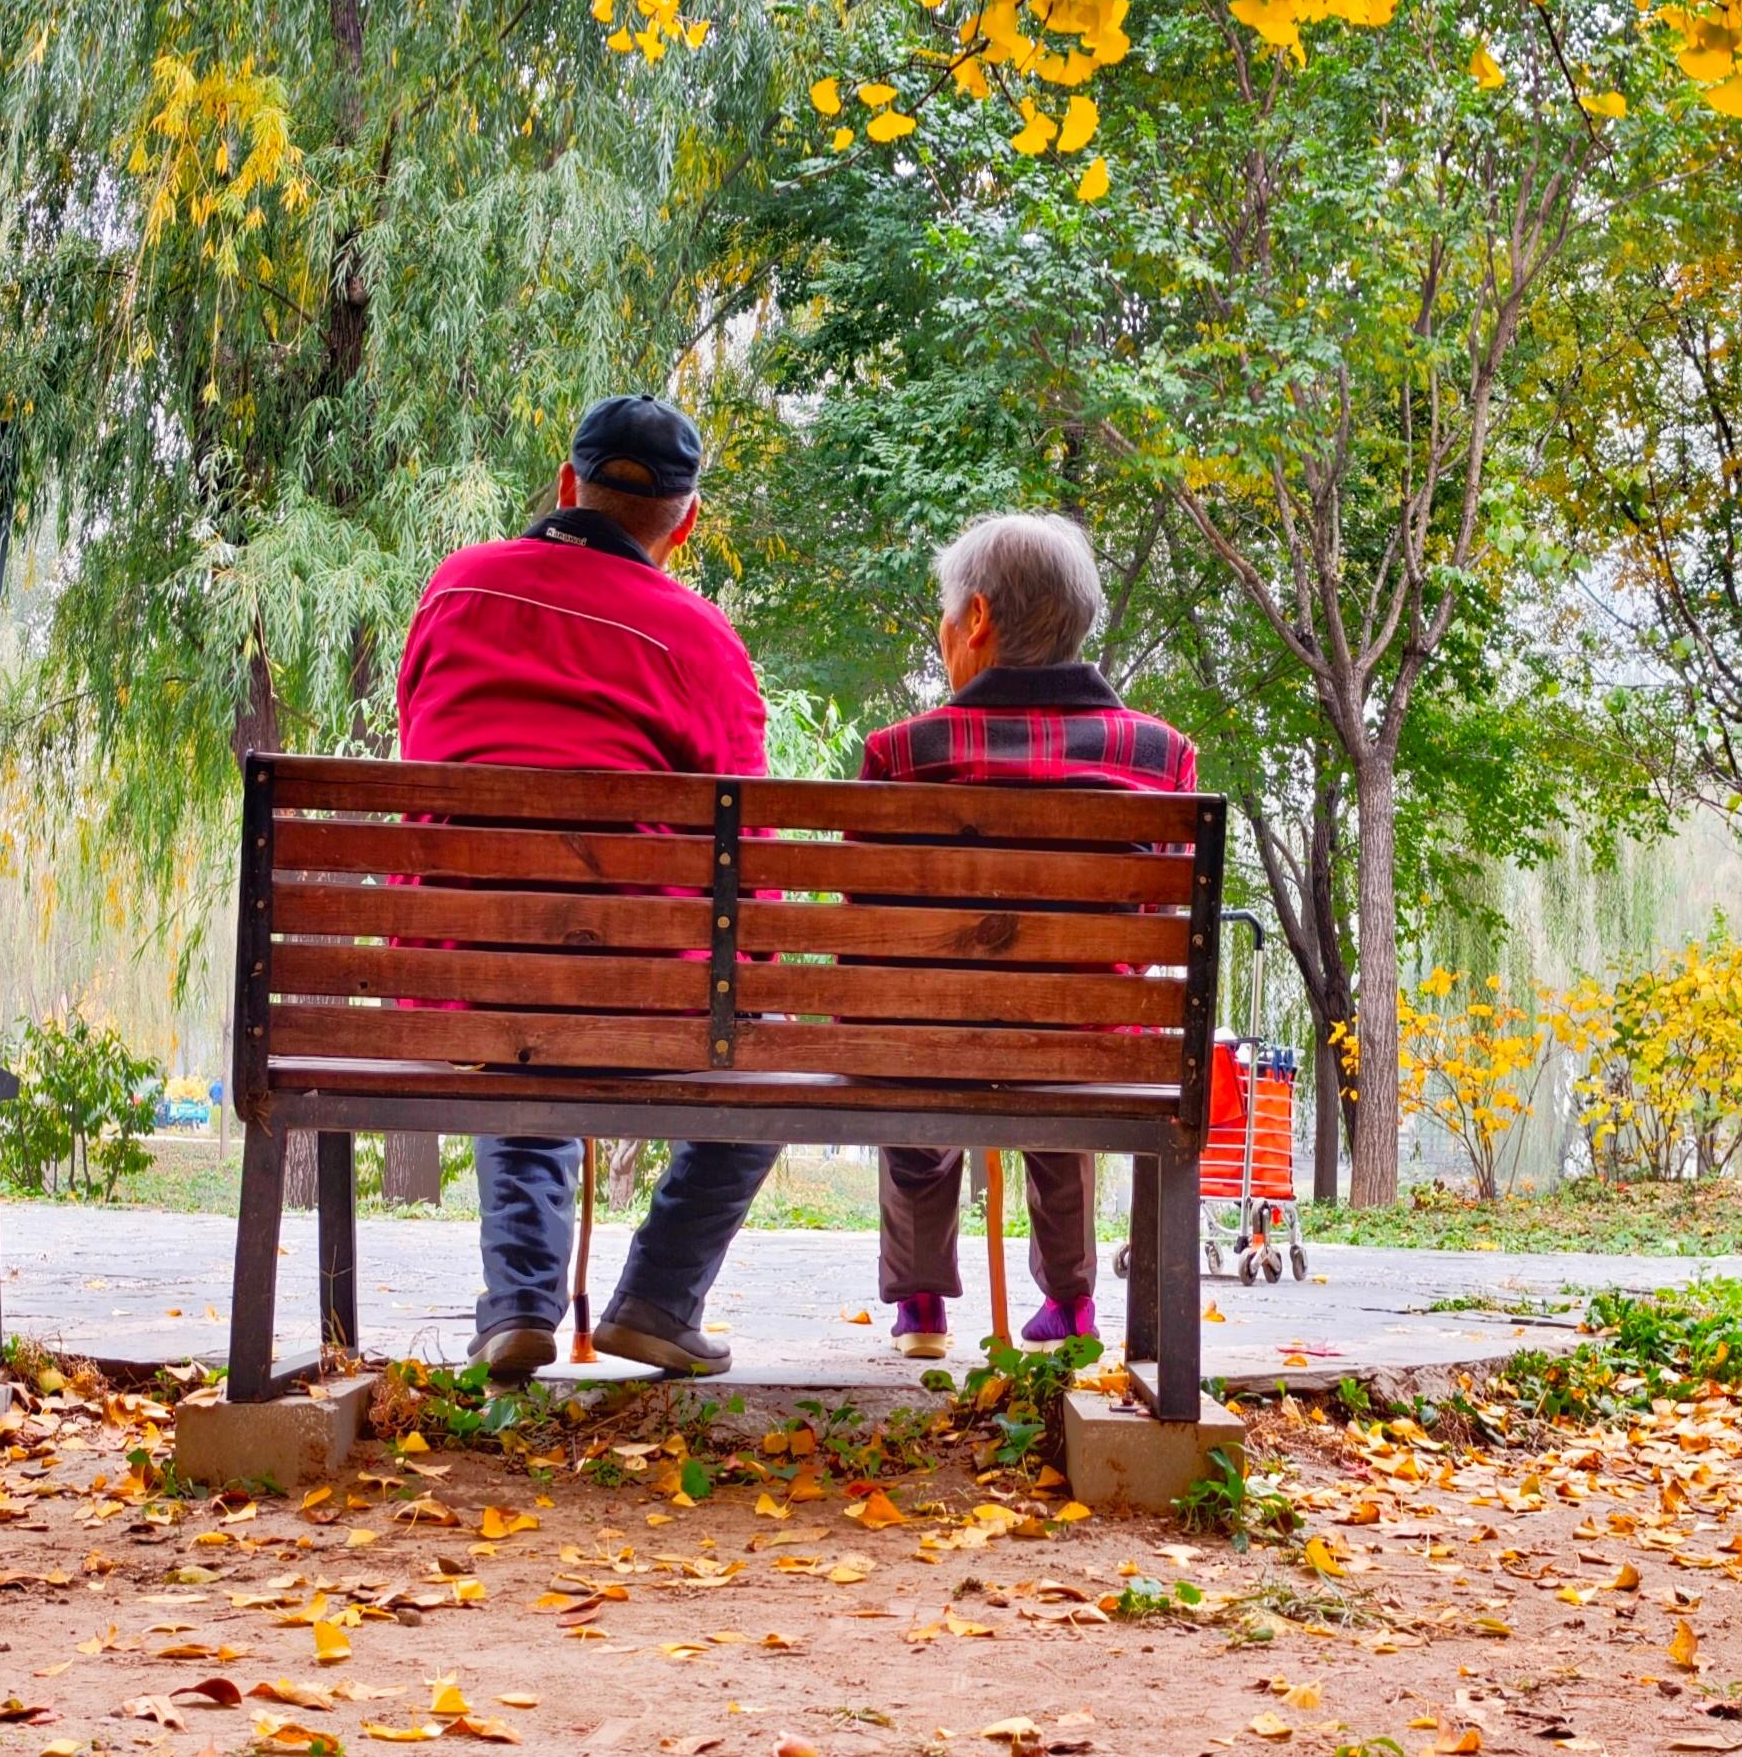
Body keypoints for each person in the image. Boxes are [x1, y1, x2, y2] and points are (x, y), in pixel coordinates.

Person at [397, 386, 777, 1382]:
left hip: (461, 970)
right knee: (772, 1060)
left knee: (521, 1004)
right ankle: (657, 1297)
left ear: (567, 482)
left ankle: (520, 1303)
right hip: (640, 984)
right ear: (684, 523)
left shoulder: (455, 590)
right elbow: (758, 842)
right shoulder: (700, 639)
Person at [861, 503, 1198, 1356]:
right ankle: (1075, 1308)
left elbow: (867, 930)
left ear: (977, 619)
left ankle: (923, 1306)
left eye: (946, 614)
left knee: (914, 1034)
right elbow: (1152, 918)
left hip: (933, 1039)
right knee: (1074, 1027)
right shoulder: (1158, 758)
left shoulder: (903, 754)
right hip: (1088, 1040)